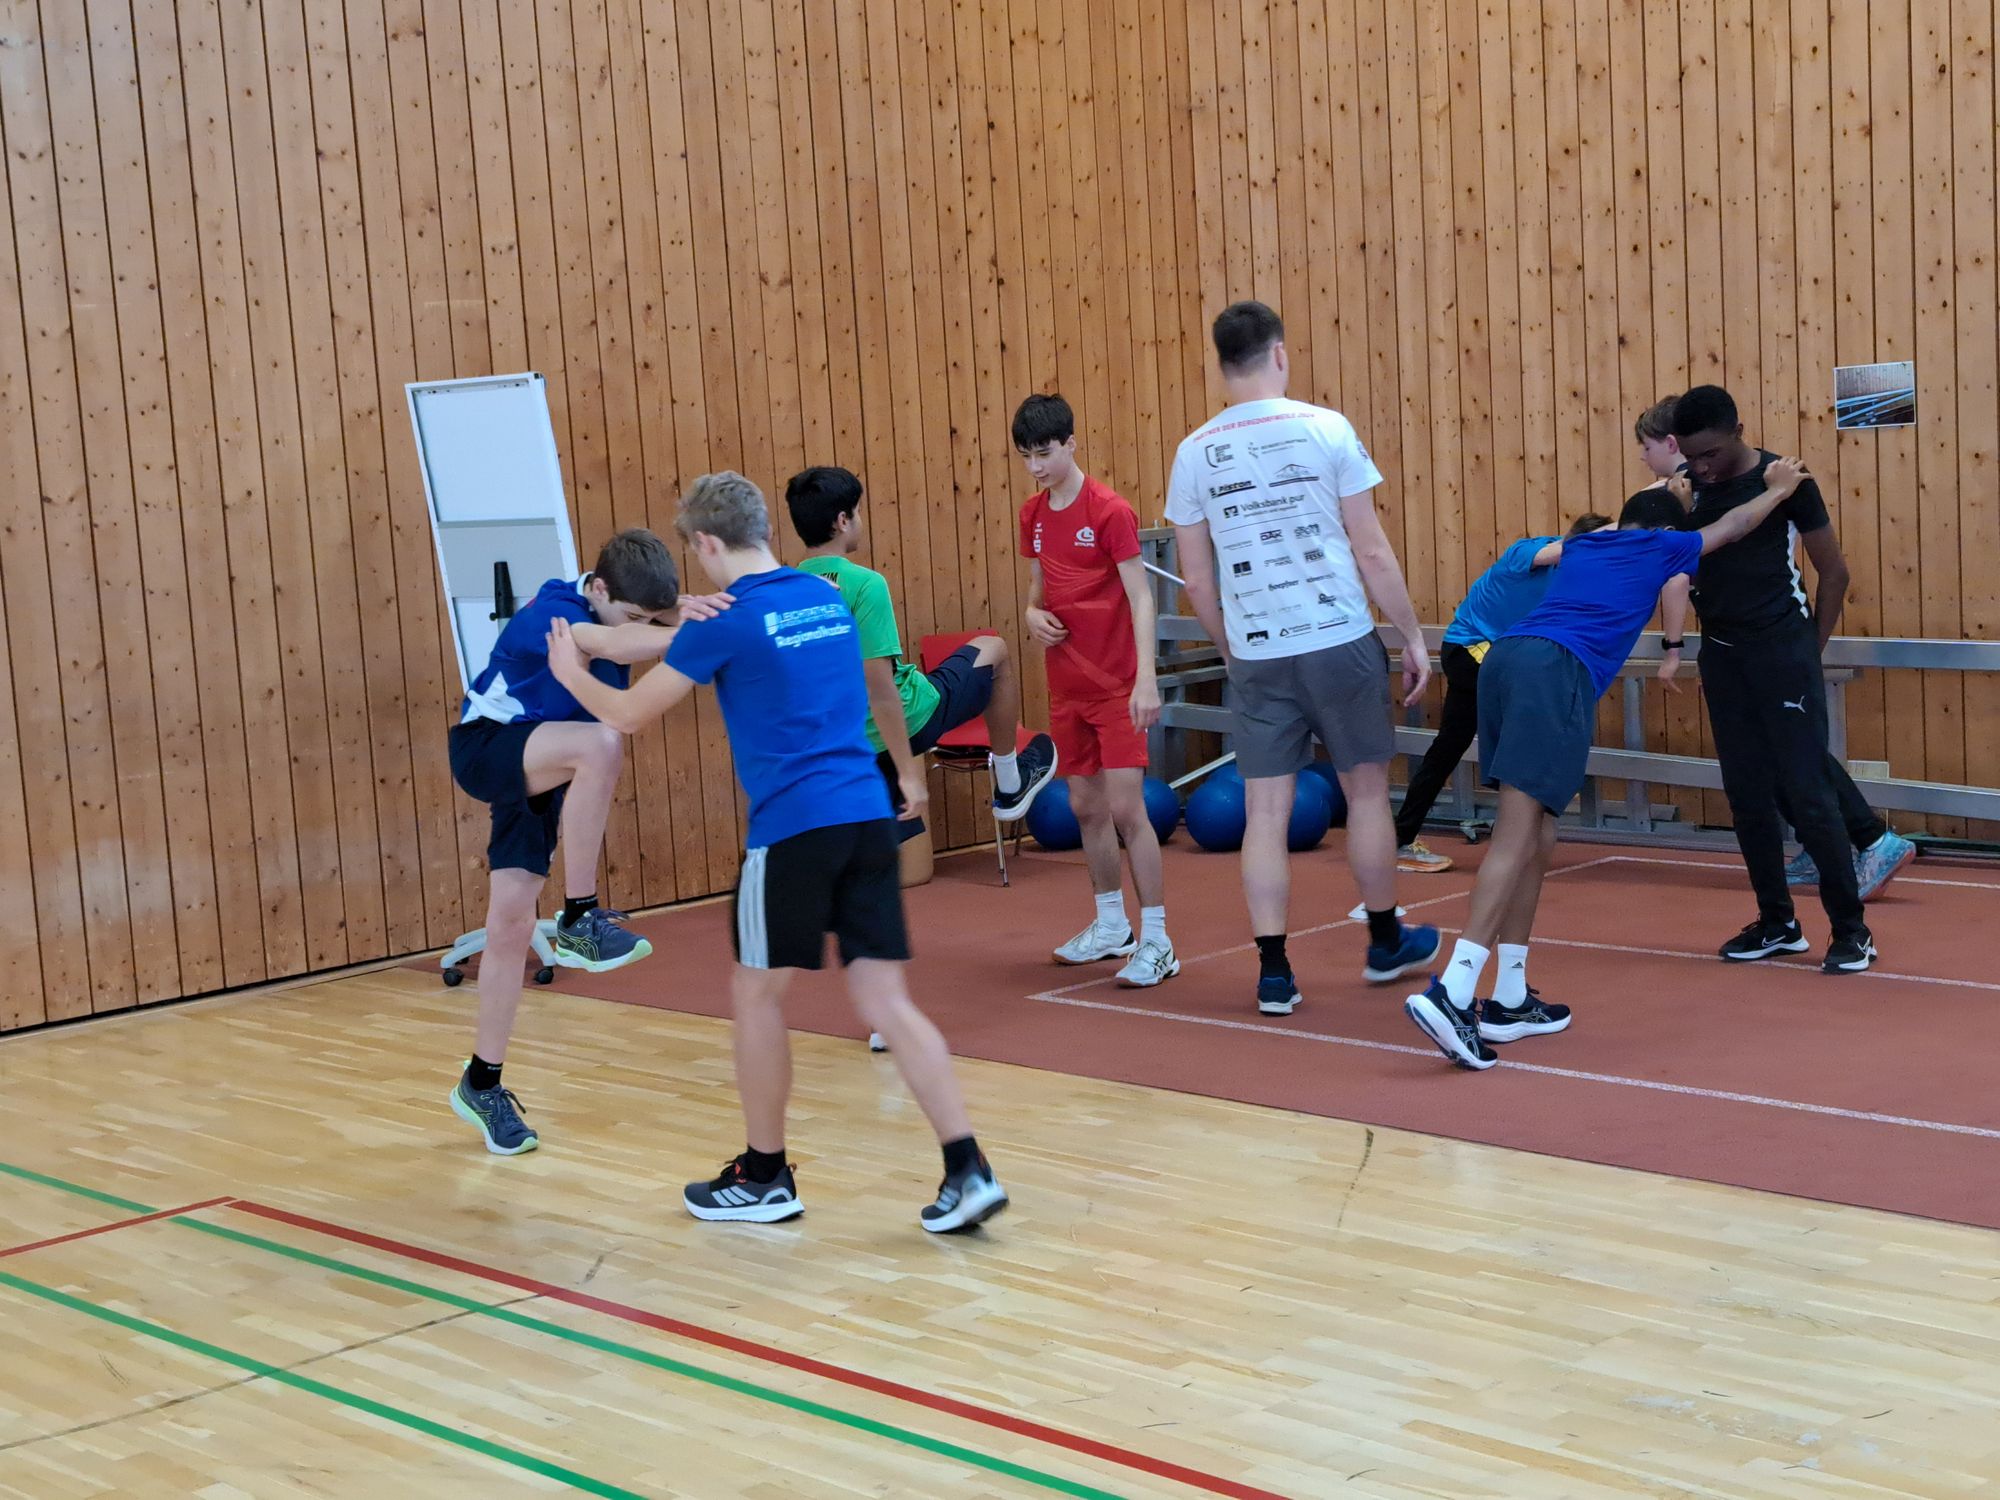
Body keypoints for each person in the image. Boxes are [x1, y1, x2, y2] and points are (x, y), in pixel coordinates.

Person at [546, 472, 1008, 1234]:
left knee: (757, 996)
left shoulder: (727, 620)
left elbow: (626, 715)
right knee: (887, 1001)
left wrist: (571, 672)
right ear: (762, 528)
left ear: (705, 543)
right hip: (866, 816)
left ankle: (765, 1176)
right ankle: (968, 1167)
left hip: (793, 828)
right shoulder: (825, 598)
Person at [1404, 460, 1812, 1070]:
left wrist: (1666, 487)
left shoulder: (1588, 542)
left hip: (1506, 661)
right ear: (1666, 528)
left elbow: (1644, 507)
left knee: (1539, 830)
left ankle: (1509, 996)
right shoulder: (1664, 546)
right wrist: (1777, 490)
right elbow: (1731, 525)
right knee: (1516, 833)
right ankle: (1455, 991)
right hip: (1554, 669)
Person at [1166, 300, 1440, 1015]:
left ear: (1221, 365)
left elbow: (1197, 582)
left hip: (1259, 653)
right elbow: (1370, 549)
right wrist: (1411, 634)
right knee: (1367, 792)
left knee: (1264, 810)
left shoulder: (1193, 452)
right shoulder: (1327, 427)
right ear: (1280, 354)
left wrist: (1231, 648)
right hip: (1339, 638)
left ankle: (1274, 973)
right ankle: (1385, 941)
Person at [446, 530, 694, 1154]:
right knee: (602, 743)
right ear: (599, 588)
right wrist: (692, 637)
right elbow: (611, 642)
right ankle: (580, 916)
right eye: (633, 614)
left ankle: (482, 1084)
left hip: (545, 756)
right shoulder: (556, 611)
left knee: (509, 926)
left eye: (648, 616)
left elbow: (670, 615)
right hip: (488, 748)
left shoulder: (628, 607)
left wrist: (716, 614)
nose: (640, 626)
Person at [1669, 386, 1910, 968]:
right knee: (1747, 797)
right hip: (1721, 655)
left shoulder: (1785, 480)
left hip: (1781, 650)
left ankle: (1851, 930)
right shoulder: (1684, 488)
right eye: (1691, 455)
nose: (1702, 466)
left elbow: (1834, 572)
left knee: (1809, 792)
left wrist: (1807, 650)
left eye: (1711, 453)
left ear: (1738, 432)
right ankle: (1777, 922)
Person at [785, 465, 1057, 844]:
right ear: (842, 521)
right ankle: (1011, 782)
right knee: (994, 648)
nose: (861, 521)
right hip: (908, 719)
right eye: (858, 512)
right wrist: (906, 770)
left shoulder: (785, 590)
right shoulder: (865, 584)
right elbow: (880, 687)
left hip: (841, 741)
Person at [1014, 394, 1178, 988]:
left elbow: (1141, 597)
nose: (1036, 466)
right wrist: (1031, 616)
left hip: (1117, 686)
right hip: (1067, 686)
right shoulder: (1032, 514)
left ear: (1071, 444)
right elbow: (1037, 593)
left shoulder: (1109, 510)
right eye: (1027, 456)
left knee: (1129, 811)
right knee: (1086, 808)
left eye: (1045, 453)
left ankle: (1158, 940)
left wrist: (1146, 680)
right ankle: (1112, 926)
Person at [1392, 513, 1615, 875]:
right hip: (1471, 649)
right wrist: (1633, 522)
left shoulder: (1573, 579)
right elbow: (1566, 551)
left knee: (1449, 746)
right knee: (1523, 730)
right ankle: (1517, 826)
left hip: (1500, 655)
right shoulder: (1526, 552)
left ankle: (1403, 837)